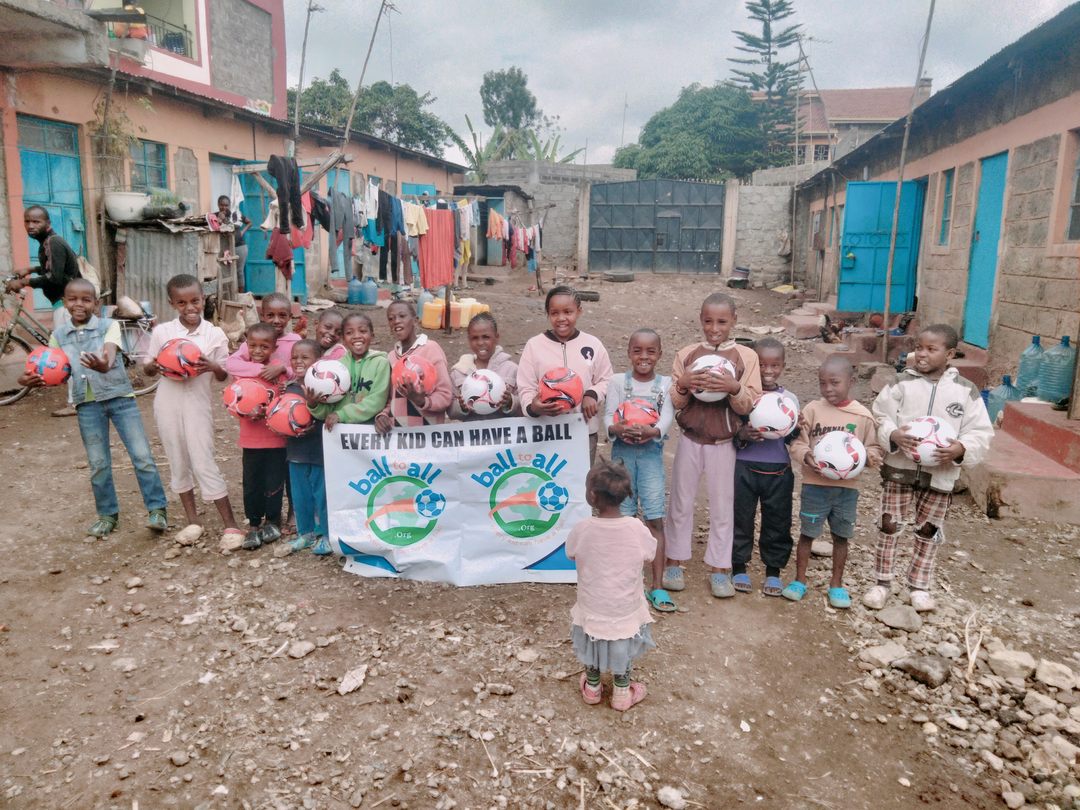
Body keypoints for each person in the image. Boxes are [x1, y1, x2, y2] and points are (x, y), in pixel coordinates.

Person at [18, 278, 167, 537]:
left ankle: (157, 511)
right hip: (87, 405)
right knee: (98, 463)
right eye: (73, 299)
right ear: (64, 302)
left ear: (96, 304)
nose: (79, 304)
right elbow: (54, 370)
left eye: (86, 300)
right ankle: (107, 515)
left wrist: (103, 364)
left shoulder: (109, 326)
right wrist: (29, 380)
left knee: (142, 456)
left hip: (120, 399)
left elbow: (108, 356)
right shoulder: (58, 336)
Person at [865, 324, 993, 612]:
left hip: (940, 475)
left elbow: (980, 431)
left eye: (931, 349)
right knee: (889, 524)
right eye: (919, 347)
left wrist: (961, 448)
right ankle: (882, 582)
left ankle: (919, 586)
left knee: (928, 529)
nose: (922, 354)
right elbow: (880, 414)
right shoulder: (900, 383)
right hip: (899, 469)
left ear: (949, 354)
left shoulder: (965, 391)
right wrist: (893, 435)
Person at [663, 293, 762, 599]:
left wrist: (733, 387)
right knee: (680, 502)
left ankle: (720, 568)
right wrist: (684, 384)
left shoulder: (746, 357)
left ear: (734, 320)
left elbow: (750, 403)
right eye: (708, 321)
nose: (714, 328)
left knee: (722, 506)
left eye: (722, 322)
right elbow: (676, 401)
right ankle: (674, 561)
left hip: (724, 442)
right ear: (700, 320)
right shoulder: (687, 354)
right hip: (691, 438)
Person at [144, 274, 243, 546]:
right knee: (177, 458)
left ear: (203, 300)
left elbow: (223, 375)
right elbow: (148, 368)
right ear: (172, 303)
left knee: (203, 458)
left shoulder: (214, 334)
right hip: (167, 402)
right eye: (182, 303)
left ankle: (231, 525)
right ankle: (193, 521)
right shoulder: (163, 332)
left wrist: (212, 366)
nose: (190, 307)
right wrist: (158, 364)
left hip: (197, 403)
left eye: (195, 301)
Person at [783, 356, 883, 608]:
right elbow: (797, 442)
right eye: (822, 383)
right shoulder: (812, 410)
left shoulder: (862, 416)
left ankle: (836, 585)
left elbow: (873, 447)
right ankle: (799, 580)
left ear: (851, 381)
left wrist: (869, 457)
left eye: (835, 382)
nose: (828, 389)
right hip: (815, 486)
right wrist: (807, 457)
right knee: (807, 533)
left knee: (841, 536)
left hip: (846, 490)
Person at [566, 460, 656, 712]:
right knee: (622, 645)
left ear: (592, 496)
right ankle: (621, 693)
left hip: (593, 604)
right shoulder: (636, 528)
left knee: (591, 640)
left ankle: (592, 688)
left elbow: (571, 553)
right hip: (624, 606)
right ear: (625, 495)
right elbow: (650, 554)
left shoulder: (583, 529)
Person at [604, 328, 676, 613]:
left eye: (650, 351)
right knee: (624, 519)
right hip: (622, 458)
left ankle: (657, 585)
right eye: (637, 351)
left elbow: (667, 417)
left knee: (654, 517)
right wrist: (616, 428)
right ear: (628, 353)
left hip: (650, 458)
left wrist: (653, 431)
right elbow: (608, 416)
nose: (643, 357)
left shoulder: (666, 385)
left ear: (660, 354)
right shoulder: (617, 382)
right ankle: (627, 584)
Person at [516, 286, 613, 463]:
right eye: (555, 313)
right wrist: (533, 407)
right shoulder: (534, 346)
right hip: (545, 433)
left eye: (568, 312)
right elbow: (525, 386)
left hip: (583, 431)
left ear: (579, 311)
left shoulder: (593, 345)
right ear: (548, 314)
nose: (561, 318)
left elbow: (606, 379)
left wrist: (592, 394)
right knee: (546, 477)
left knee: (582, 478)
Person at [732, 337, 798, 597]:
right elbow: (732, 432)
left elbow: (793, 440)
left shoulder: (789, 400)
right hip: (743, 466)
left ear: (783, 366)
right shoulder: (745, 397)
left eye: (775, 365)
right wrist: (743, 434)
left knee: (778, 521)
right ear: (752, 365)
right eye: (761, 365)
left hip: (779, 470)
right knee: (740, 518)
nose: (768, 371)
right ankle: (738, 566)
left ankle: (773, 571)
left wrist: (796, 427)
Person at [6, 206, 83, 416]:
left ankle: (75, 403)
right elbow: (55, 266)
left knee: (68, 354)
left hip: (67, 303)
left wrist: (25, 282)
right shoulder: (48, 242)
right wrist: (30, 269)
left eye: (36, 221)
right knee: (69, 351)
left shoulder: (52, 242)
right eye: (27, 221)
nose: (31, 226)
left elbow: (55, 277)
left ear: (47, 223)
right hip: (64, 302)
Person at [225, 322, 289, 550]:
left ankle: (272, 521)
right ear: (246, 345)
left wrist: (270, 409)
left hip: (276, 439)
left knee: (274, 482)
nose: (258, 350)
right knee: (251, 483)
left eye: (264, 346)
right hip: (250, 439)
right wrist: (245, 412)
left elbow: (286, 401)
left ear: (274, 348)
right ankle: (253, 524)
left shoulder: (279, 372)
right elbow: (232, 402)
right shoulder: (241, 372)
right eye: (253, 346)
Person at [282, 340, 335, 556]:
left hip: (319, 451)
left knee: (322, 494)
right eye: (294, 357)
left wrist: (313, 425)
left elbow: (327, 416)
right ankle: (305, 533)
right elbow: (284, 416)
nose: (298, 361)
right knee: (300, 494)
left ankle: (327, 534)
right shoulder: (290, 388)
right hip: (295, 451)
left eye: (305, 357)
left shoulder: (327, 387)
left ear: (318, 361)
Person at [375, 300, 452, 434]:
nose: (396, 321)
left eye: (402, 316)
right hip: (398, 436)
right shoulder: (391, 356)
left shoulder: (430, 349)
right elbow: (392, 398)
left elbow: (445, 395)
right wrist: (383, 415)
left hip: (427, 436)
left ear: (415, 320)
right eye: (391, 318)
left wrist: (422, 401)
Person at [310, 313, 390, 433]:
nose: (356, 336)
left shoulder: (381, 363)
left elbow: (377, 401)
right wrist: (314, 404)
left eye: (363, 331)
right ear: (343, 339)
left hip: (370, 430)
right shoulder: (337, 366)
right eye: (349, 333)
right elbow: (330, 408)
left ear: (372, 336)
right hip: (340, 432)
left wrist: (342, 414)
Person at [450, 312, 518, 420]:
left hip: (504, 430)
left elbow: (525, 405)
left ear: (497, 337)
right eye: (475, 338)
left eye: (486, 337)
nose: (480, 342)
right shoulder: (458, 372)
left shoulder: (511, 369)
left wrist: (511, 402)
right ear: (469, 340)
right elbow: (450, 411)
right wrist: (461, 407)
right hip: (472, 430)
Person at [217, 195, 251, 291]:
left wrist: (242, 232)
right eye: (222, 205)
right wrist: (219, 220)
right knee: (226, 272)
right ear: (218, 205)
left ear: (229, 205)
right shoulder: (215, 216)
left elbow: (249, 223)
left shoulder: (235, 215)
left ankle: (240, 295)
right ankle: (229, 294)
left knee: (239, 271)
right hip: (225, 248)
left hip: (239, 246)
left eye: (226, 205)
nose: (224, 207)